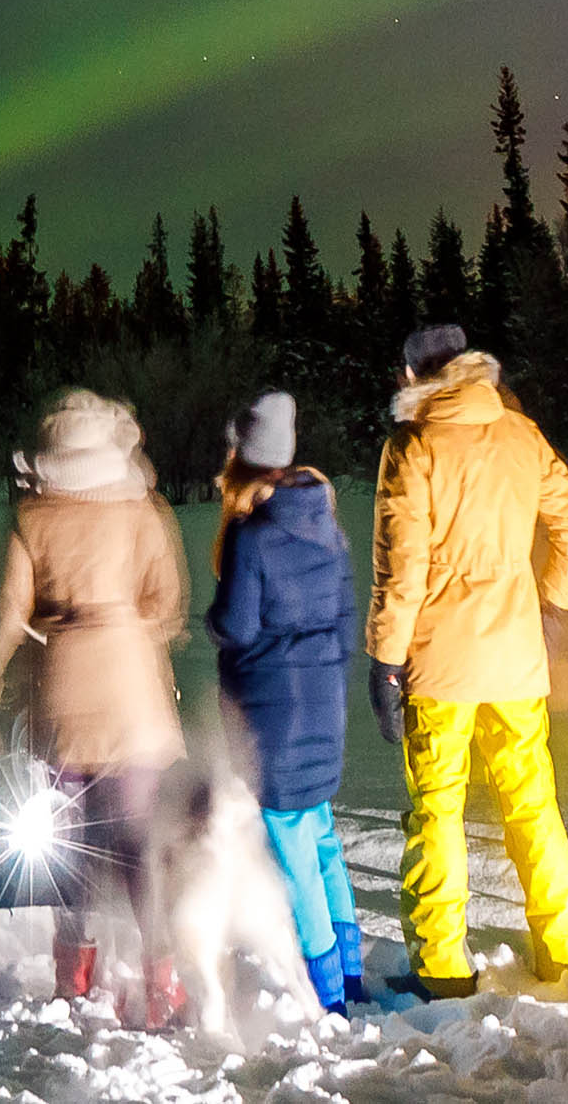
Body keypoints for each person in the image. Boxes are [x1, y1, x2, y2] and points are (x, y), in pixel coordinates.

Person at [365, 323, 568, 999]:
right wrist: (548, 605)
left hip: (439, 662)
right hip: (515, 657)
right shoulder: (519, 434)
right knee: (533, 803)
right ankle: (565, 951)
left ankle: (444, 966)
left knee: (438, 812)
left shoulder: (413, 447)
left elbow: (401, 571)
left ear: (417, 375)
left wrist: (386, 659)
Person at [0, 387, 185, 1016]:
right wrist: (129, 631)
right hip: (131, 695)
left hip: (61, 697)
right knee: (140, 839)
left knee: (72, 841)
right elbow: (165, 605)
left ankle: (74, 973)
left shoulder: (31, 516)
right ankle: (162, 980)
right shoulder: (143, 510)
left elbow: (11, 613)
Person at [203, 388, 371, 1012]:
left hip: (274, 710)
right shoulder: (325, 519)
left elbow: (239, 625)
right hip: (323, 699)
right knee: (320, 833)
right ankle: (349, 969)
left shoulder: (252, 536)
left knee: (291, 844)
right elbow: (347, 617)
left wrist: (215, 620)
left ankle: (326, 991)